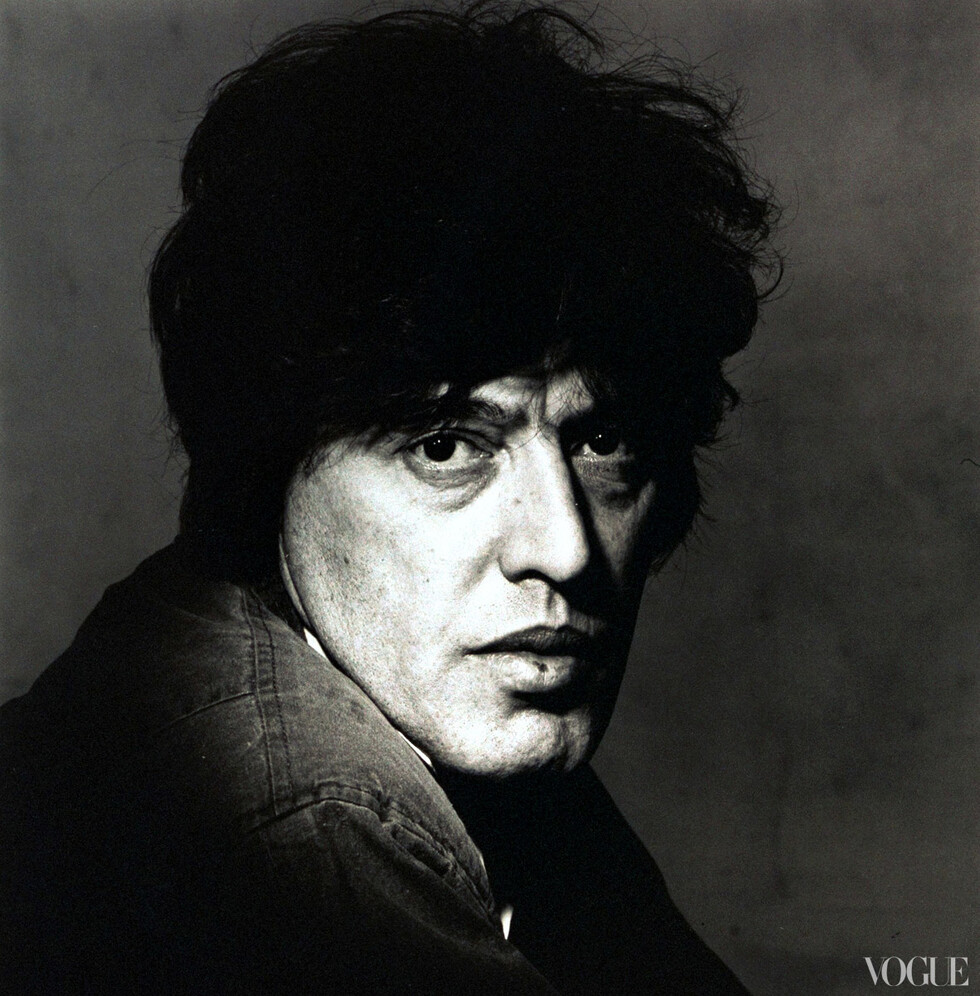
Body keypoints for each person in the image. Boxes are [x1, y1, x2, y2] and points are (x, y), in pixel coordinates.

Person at [0, 4, 778, 993]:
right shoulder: (310, 821)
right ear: (266, 459)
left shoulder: (455, 732)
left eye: (601, 442)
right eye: (446, 447)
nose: (565, 549)